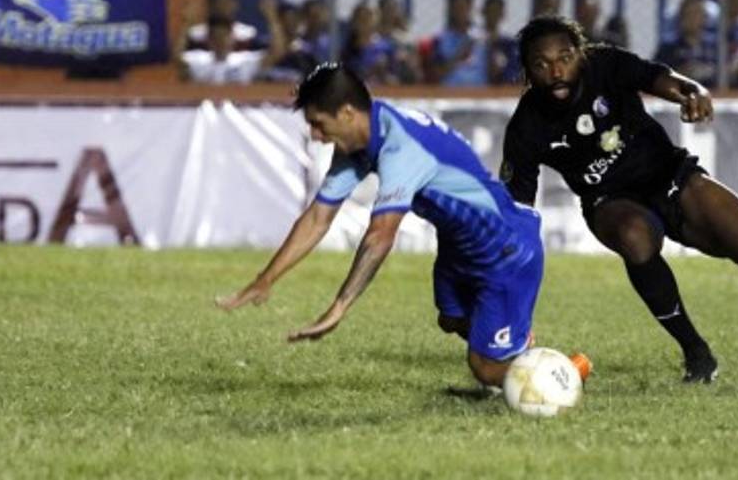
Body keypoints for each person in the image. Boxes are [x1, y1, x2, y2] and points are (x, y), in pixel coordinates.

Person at [500, 16, 738, 384]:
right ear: (527, 72)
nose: (555, 71)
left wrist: (694, 91)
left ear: (581, 55)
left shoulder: (606, 64)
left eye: (564, 57)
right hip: (610, 201)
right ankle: (696, 351)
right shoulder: (526, 127)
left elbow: (661, 78)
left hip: (671, 176)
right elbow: (518, 210)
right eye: (541, 63)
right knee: (635, 237)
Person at [216, 63, 584, 390]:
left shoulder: (400, 147)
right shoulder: (365, 138)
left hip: (504, 250)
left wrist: (339, 307)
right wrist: (265, 279)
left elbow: (380, 237)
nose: (315, 135)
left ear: (346, 113)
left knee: (485, 370)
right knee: (452, 318)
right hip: (461, 247)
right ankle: (516, 344)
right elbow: (317, 217)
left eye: (318, 123)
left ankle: (561, 376)